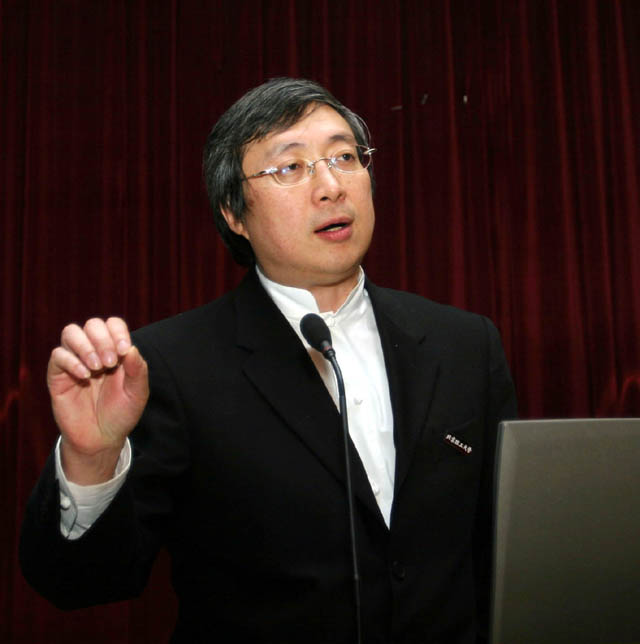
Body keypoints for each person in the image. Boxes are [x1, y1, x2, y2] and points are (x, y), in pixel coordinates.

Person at [20, 78, 517, 643]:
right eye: (291, 167)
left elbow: (506, 551)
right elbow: (80, 583)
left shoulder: (464, 344)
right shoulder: (167, 365)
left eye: (345, 157)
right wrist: (93, 460)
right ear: (234, 213)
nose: (331, 187)